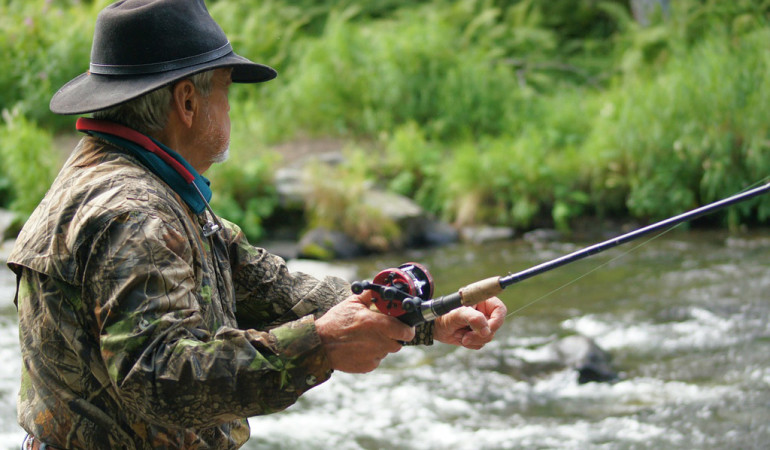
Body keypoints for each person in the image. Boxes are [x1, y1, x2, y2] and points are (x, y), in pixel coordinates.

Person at [8, 1, 507, 448]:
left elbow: (269, 286)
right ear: (187, 102)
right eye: (226, 92)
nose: (229, 110)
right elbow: (159, 379)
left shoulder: (123, 180)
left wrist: (424, 318)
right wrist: (322, 344)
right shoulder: (135, 212)